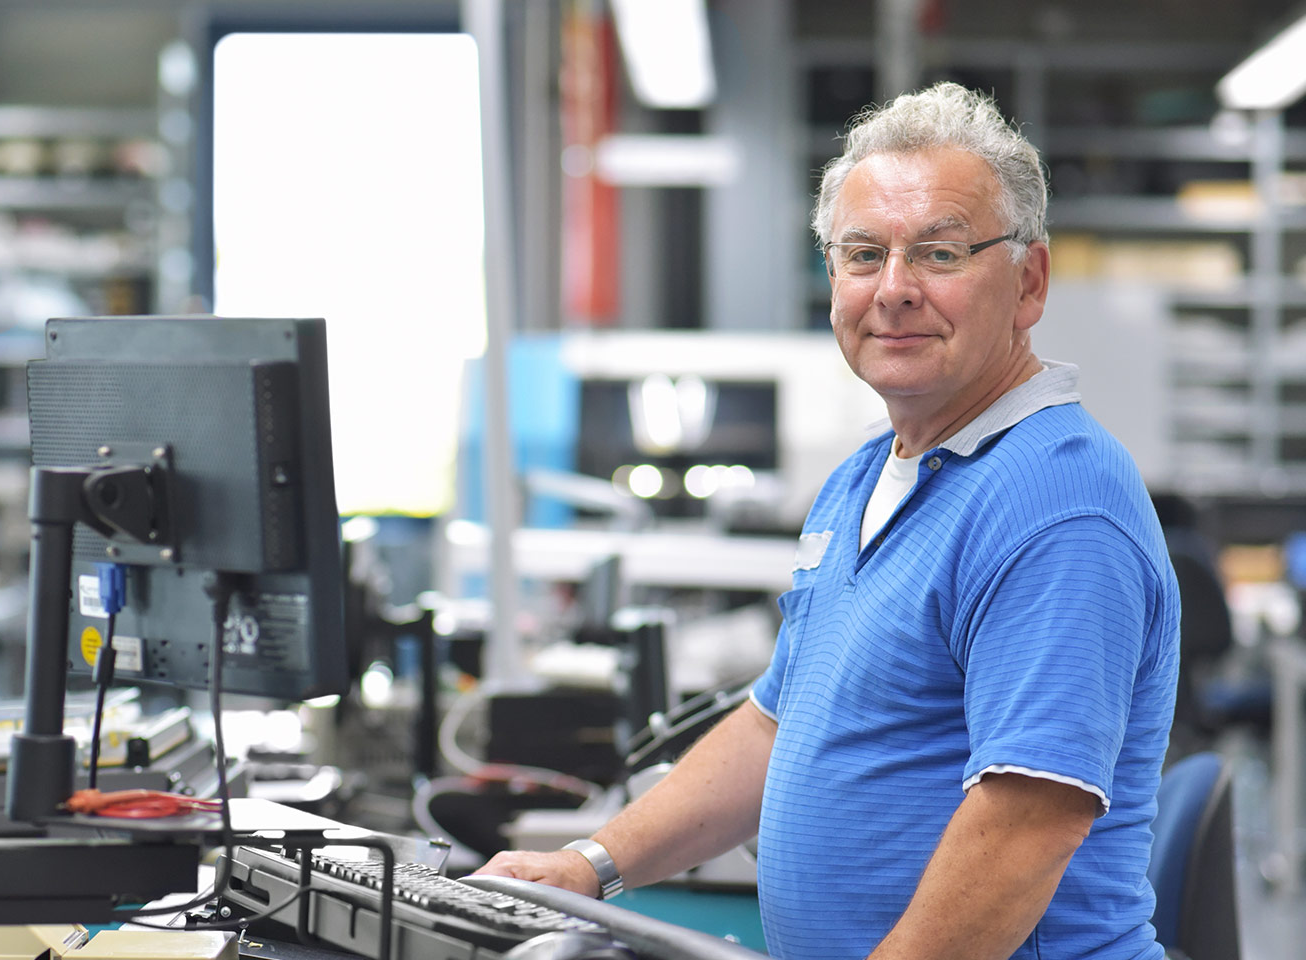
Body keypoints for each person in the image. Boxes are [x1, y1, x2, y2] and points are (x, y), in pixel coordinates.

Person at [476, 81, 1180, 960]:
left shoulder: (1057, 504)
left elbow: (1028, 824)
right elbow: (777, 724)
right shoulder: (864, 477)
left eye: (940, 253)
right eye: (862, 254)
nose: (894, 290)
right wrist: (590, 865)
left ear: (1028, 281)